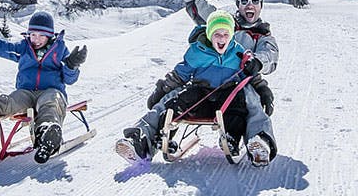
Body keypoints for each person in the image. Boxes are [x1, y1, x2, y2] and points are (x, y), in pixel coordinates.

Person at [147, 0, 280, 139]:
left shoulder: (263, 35)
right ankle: (149, 137)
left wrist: (257, 62)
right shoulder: (221, 23)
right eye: (244, 1)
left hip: (239, 86)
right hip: (204, 83)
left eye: (255, 1)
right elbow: (195, 2)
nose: (249, 5)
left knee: (252, 101)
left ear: (260, 6)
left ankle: (259, 141)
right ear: (238, 5)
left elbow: (270, 55)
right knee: (174, 98)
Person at [117, 12, 276, 166]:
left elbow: (251, 75)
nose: (222, 38)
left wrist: (263, 90)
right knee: (172, 101)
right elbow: (180, 74)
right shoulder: (197, 51)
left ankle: (256, 141)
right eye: (217, 34)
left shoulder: (239, 53)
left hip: (227, 100)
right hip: (200, 97)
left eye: (226, 34)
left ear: (232, 35)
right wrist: (164, 88)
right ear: (209, 34)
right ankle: (143, 140)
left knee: (245, 101)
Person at [0, 11, 87, 163]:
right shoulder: (24, 47)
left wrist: (72, 66)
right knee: (8, 102)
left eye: (41, 35)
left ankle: (46, 134)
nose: (36, 39)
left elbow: (69, 79)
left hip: (51, 91)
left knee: (50, 103)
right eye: (33, 35)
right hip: (26, 92)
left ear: (50, 35)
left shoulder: (60, 49)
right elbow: (2, 47)